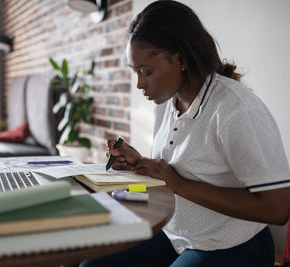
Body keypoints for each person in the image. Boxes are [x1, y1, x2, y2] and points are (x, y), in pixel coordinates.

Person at [80, 1, 290, 266]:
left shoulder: (235, 110)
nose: (139, 84)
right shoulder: (168, 101)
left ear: (180, 59)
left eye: (146, 72)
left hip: (230, 246)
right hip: (174, 234)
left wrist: (177, 183)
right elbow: (178, 172)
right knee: (91, 263)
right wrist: (141, 164)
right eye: (135, 72)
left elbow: (278, 208)